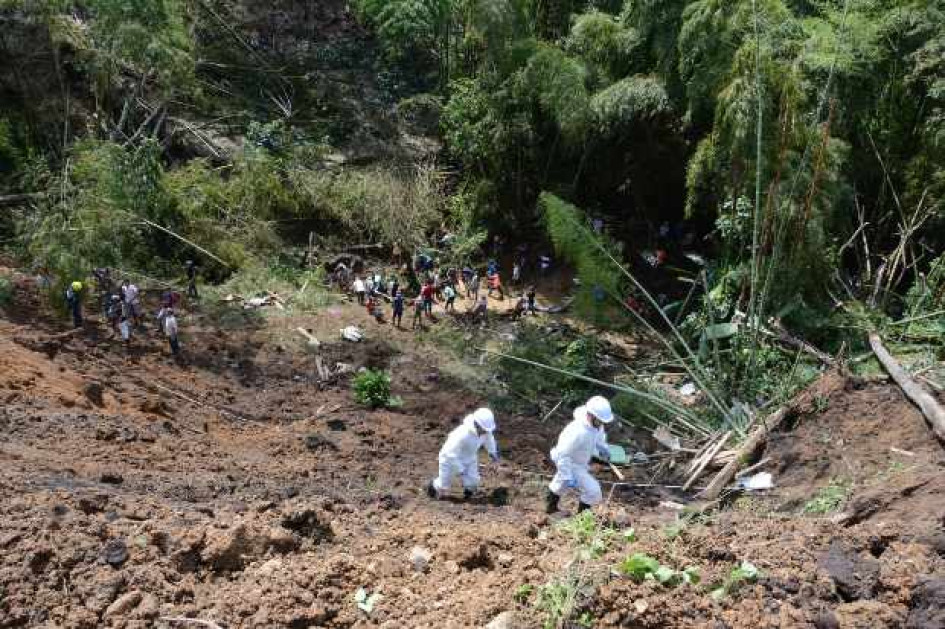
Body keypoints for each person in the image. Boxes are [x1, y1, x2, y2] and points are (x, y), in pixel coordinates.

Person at [546, 396, 614, 515]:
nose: (601, 424)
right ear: (590, 415)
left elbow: (598, 437)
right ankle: (580, 518)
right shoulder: (576, 431)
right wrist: (567, 475)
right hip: (569, 463)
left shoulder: (596, 425)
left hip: (580, 462)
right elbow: (562, 455)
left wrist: (603, 448)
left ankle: (551, 509)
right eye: (599, 421)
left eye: (603, 422)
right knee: (593, 491)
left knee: (560, 485)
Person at [427, 408, 499, 500]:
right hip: (449, 460)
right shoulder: (462, 433)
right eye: (483, 429)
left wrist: (492, 452)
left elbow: (489, 439)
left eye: (486, 430)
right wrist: (460, 469)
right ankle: (432, 488)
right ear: (476, 424)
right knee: (443, 485)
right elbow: (449, 453)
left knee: (473, 482)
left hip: (469, 458)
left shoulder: (485, 432)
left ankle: (468, 497)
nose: (485, 432)